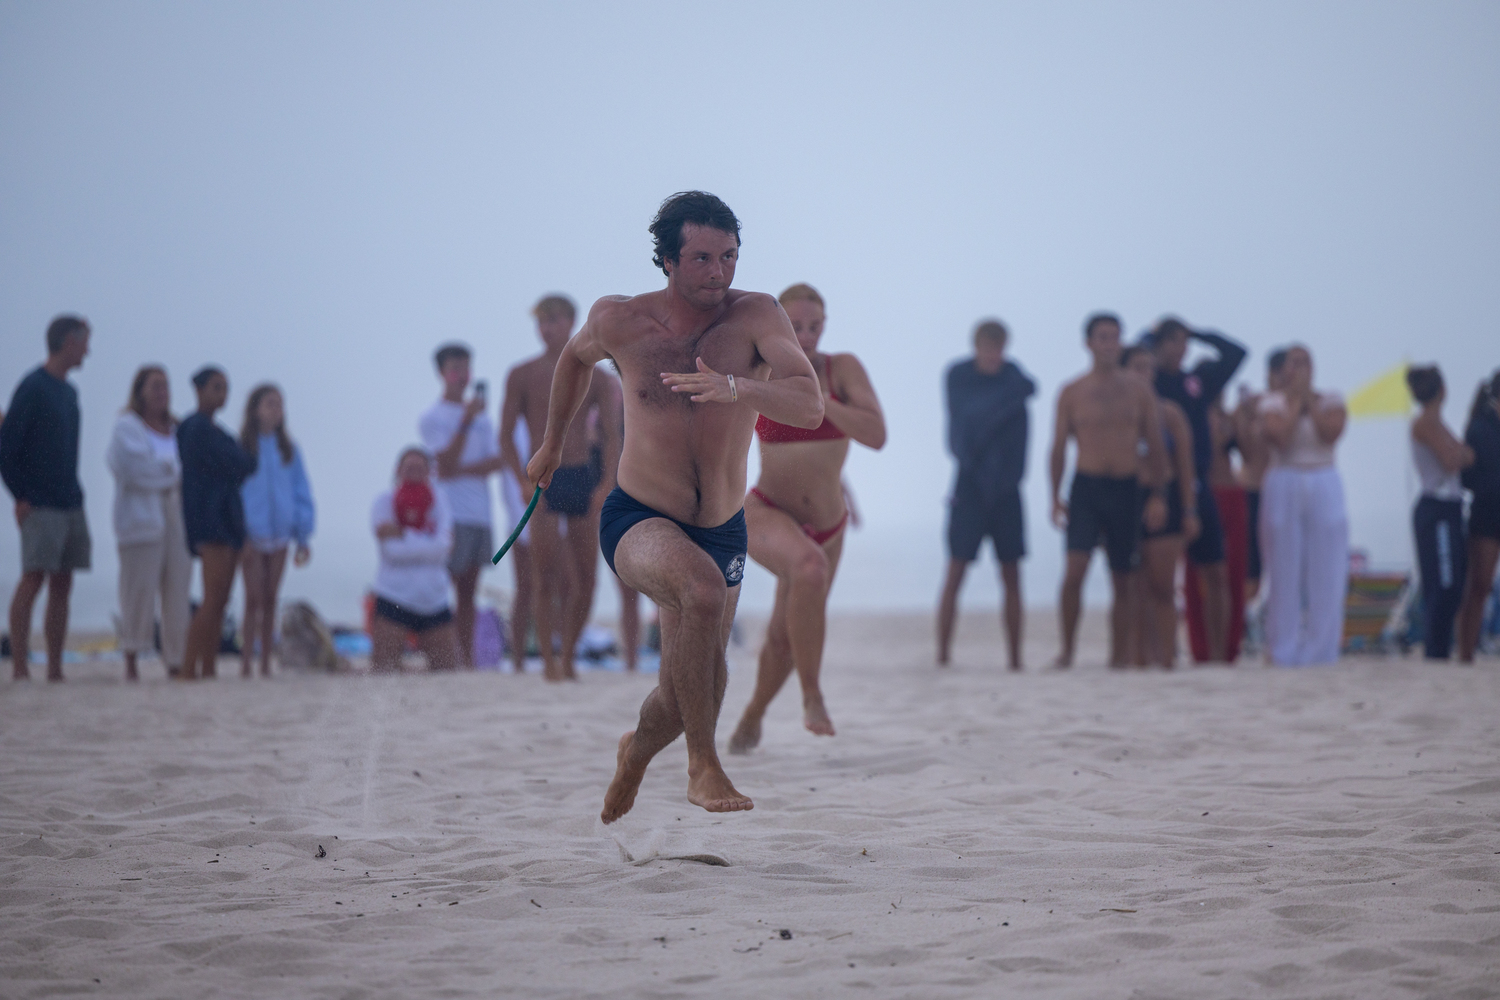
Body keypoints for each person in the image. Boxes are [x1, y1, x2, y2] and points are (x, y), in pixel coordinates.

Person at [526, 191, 822, 822]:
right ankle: (703, 766)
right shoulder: (620, 320)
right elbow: (573, 361)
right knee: (703, 593)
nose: (719, 272)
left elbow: (808, 403)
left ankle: (635, 752)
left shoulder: (758, 316)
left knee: (689, 686)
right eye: (702, 259)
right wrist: (554, 441)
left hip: (722, 527)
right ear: (666, 260)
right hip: (638, 518)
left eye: (730, 256)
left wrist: (737, 386)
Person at [728, 282, 885, 753]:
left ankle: (752, 718)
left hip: (829, 524)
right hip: (767, 509)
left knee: (783, 636)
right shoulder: (761, 369)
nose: (807, 335)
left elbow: (876, 434)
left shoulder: (843, 369)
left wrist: (819, 397)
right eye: (795, 327)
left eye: (815, 326)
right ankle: (813, 696)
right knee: (808, 568)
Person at [500, 295, 622, 680]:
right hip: (543, 480)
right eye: (542, 321)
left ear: (571, 322)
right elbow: (504, 436)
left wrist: (607, 482)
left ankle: (568, 654)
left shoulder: (598, 376)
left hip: (583, 476)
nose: (547, 327)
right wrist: (520, 479)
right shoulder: (523, 374)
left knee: (587, 577)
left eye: (554, 320)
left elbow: (612, 436)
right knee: (544, 575)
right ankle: (549, 660)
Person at [1049, 313, 1168, 668]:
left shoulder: (1138, 390)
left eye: (1114, 338)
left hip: (1126, 486)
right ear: (1088, 343)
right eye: (1101, 337)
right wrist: (1055, 497)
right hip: (1086, 486)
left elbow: (1155, 444)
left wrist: (1159, 494)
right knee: (1075, 571)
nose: (1108, 345)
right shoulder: (1072, 392)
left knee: (1123, 578)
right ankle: (1067, 650)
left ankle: (1119, 656)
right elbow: (1058, 448)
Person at [935, 318, 1034, 670]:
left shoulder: (1014, 377)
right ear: (976, 346)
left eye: (999, 348)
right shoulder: (960, 377)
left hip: (1007, 489)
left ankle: (1016, 659)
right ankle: (943, 655)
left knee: (1011, 573)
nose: (994, 355)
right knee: (956, 570)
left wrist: (1012, 479)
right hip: (969, 484)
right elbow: (964, 428)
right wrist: (1012, 397)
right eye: (988, 347)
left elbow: (1023, 435)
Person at [1, 315, 93, 681]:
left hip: (70, 499)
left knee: (63, 582)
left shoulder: (69, 392)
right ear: (68, 341)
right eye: (85, 341)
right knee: (33, 577)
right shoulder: (33, 387)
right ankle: (20, 665)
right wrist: (20, 495)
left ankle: (55, 666)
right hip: (39, 501)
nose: (88, 349)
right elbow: (6, 447)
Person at [1151, 318, 1246, 662]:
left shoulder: (1196, 382)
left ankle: (1218, 655)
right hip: (1162, 482)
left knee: (1216, 572)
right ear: (1159, 345)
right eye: (1172, 342)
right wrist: (1151, 333)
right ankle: (1161, 651)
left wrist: (1199, 333)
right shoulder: (1147, 381)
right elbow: (1122, 358)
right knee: (1159, 577)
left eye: (1183, 342)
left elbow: (1237, 353)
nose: (1180, 349)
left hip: (1200, 483)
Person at [1257, 345, 1348, 666]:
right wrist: (1295, 401)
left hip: (1323, 477)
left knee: (1328, 568)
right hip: (1286, 478)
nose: (1300, 368)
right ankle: (1283, 648)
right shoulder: (1273, 403)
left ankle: (1321, 649)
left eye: (1306, 362)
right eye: (1294, 362)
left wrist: (1310, 400)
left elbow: (1330, 434)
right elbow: (1280, 437)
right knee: (1284, 567)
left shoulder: (1331, 400)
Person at [420, 344, 502, 669]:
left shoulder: (482, 418)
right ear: (442, 372)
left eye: (466, 369)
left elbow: (497, 461)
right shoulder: (433, 417)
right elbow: (444, 461)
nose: (462, 376)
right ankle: (446, 656)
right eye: (455, 369)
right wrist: (465, 422)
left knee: (470, 591)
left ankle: (466, 658)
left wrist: (463, 468)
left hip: (480, 511)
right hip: (451, 512)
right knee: (447, 587)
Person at [106, 365, 190, 681]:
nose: (161, 392)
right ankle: (131, 658)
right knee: (138, 591)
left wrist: (165, 473)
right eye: (155, 385)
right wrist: (169, 474)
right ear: (140, 389)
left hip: (177, 518)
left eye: (166, 385)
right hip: (140, 519)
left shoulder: (178, 429)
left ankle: (176, 659)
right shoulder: (126, 427)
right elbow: (134, 469)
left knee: (177, 590)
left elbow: (183, 472)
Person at [1122, 344, 1199, 668]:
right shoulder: (1117, 414)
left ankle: (1167, 658)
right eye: (1137, 367)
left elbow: (1185, 466)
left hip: (1165, 498)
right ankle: (1139, 658)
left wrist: (1190, 510)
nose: (1144, 374)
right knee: (1134, 587)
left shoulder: (1169, 414)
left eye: (1148, 368)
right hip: (1126, 499)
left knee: (1162, 586)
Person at [178, 367, 257, 680]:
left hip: (226, 517)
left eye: (225, 388)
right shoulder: (195, 429)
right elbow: (238, 463)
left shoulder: (216, 431)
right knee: (211, 599)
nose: (221, 395)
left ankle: (207, 665)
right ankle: (188, 667)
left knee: (221, 598)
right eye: (215, 387)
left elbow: (244, 464)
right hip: (209, 518)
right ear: (198, 390)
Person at [238, 384, 315, 678]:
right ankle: (246, 661)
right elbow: (237, 491)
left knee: (271, 596)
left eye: (280, 404)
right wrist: (240, 531)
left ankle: (266, 661)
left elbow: (300, 490)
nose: (276, 410)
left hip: (281, 532)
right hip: (252, 532)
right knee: (252, 597)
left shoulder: (288, 450)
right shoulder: (244, 447)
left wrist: (303, 533)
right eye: (270, 403)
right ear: (255, 408)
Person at [370, 447, 459, 672]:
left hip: (434, 600)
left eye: (420, 468)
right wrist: (426, 543)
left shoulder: (440, 500)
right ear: (398, 470)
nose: (414, 473)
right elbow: (392, 552)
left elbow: (444, 548)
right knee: (384, 671)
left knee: (447, 673)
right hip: (394, 597)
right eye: (409, 468)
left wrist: (402, 533)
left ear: (430, 472)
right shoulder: (383, 501)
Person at [1405, 366, 1473, 661]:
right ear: (1441, 389)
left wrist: (1462, 454)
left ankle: (1440, 648)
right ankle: (1435, 650)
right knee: (1443, 584)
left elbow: (1462, 454)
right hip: (1436, 507)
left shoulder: (1437, 423)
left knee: (1454, 582)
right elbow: (1453, 459)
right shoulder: (1424, 423)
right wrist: (1462, 454)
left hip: (1449, 506)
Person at [1183, 392, 1250, 663]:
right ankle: (1201, 648)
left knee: (1233, 574)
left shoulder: (1229, 417)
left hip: (1231, 493)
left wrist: (1240, 419)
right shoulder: (1190, 414)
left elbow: (1252, 453)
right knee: (1195, 577)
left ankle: (1228, 647)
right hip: (1203, 493)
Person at [1458, 370, 1500, 662]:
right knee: (1480, 585)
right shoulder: (1480, 427)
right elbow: (1468, 478)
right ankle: (1466, 653)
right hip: (1488, 512)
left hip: (1488, 509)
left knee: (1479, 586)